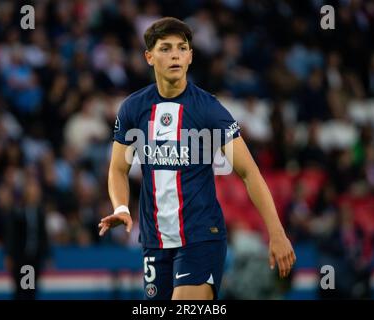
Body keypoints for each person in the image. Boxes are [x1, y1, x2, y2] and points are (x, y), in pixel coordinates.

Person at [98, 17, 295, 300]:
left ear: (190, 56)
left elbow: (250, 173)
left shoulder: (209, 110)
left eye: (182, 47)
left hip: (201, 237)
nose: (175, 54)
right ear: (149, 57)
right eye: (165, 48)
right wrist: (121, 207)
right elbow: (118, 168)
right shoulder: (133, 109)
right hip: (154, 242)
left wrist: (276, 232)